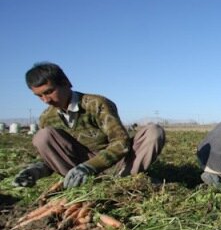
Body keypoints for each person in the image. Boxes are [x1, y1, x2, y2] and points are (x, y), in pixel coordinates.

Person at [12, 62, 166, 189]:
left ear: (66, 83)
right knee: (42, 136)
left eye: (49, 92)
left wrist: (91, 166)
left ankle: (127, 179)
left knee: (153, 131)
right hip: (79, 170)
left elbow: (121, 143)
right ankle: (78, 184)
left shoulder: (96, 104)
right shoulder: (47, 117)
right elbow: (53, 158)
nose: (46, 100)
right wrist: (35, 172)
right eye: (39, 96)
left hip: (119, 164)